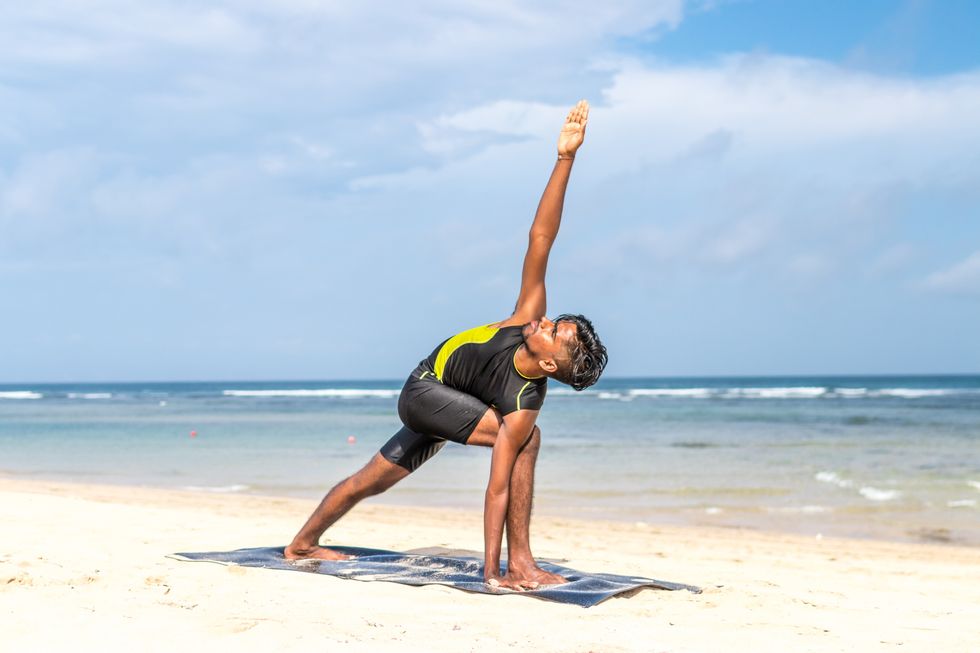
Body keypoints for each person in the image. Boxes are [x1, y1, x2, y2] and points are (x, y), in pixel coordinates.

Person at [285, 100, 607, 591]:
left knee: (373, 478)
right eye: (556, 321)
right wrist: (565, 158)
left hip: (451, 407)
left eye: (553, 332)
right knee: (525, 441)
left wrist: (489, 573)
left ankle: (302, 544)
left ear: (547, 362)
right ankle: (522, 561)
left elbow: (497, 486)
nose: (545, 320)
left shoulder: (524, 404)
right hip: (424, 391)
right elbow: (541, 236)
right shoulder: (524, 317)